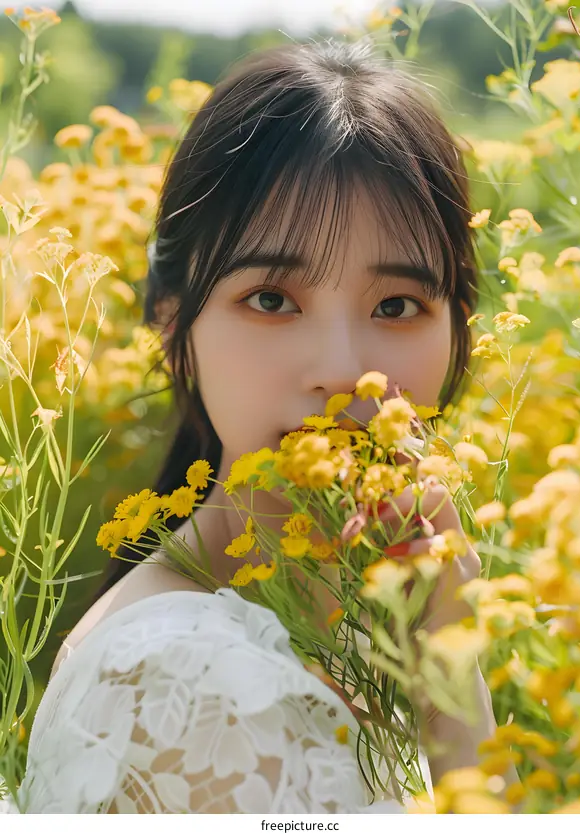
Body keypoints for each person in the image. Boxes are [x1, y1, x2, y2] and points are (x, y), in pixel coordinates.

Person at [5, 36, 516, 814]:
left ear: (459, 332)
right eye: (273, 300)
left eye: (396, 306)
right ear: (175, 324)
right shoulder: (183, 680)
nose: (345, 370)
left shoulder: (356, 625)